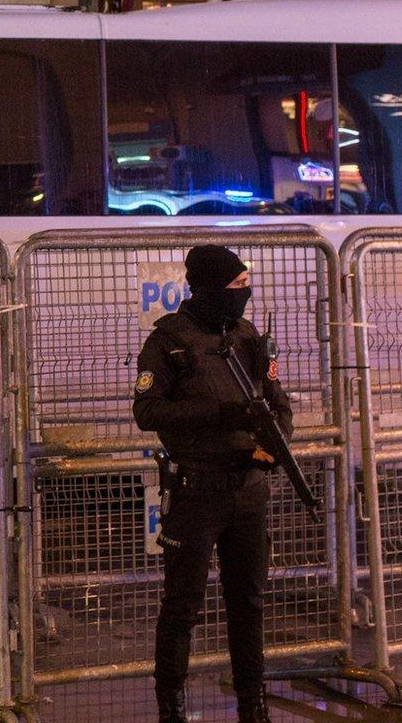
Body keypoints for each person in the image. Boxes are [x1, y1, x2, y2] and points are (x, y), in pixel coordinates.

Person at [133, 244, 292, 723]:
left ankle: (253, 704)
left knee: (248, 603)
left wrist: (274, 445)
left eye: (246, 286)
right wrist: (222, 413)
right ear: (208, 288)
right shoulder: (169, 341)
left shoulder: (247, 337)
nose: (245, 295)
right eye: (236, 286)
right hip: (196, 492)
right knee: (182, 606)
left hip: (248, 490)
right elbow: (148, 412)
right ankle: (172, 709)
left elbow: (279, 404)